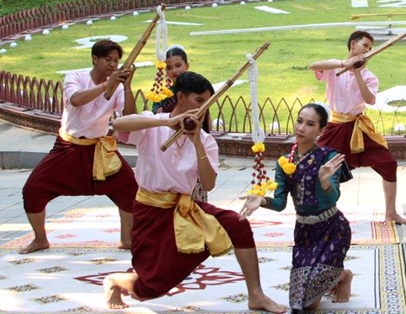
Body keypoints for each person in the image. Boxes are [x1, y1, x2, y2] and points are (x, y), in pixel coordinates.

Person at [102, 72, 286, 313]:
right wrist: (166, 122)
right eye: (200, 101)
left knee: (237, 224)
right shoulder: (152, 125)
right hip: (151, 210)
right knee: (150, 288)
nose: (204, 107)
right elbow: (118, 124)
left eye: (208, 102)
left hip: (185, 208)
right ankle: (115, 280)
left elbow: (208, 184)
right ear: (181, 96)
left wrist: (197, 142)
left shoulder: (206, 140)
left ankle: (256, 295)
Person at [19, 40, 138, 254]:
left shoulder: (119, 87)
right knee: (33, 189)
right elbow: (75, 100)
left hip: (100, 149)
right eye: (108, 59)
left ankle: (127, 239)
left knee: (130, 189)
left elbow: (129, 116)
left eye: (116, 61)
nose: (113, 64)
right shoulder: (75, 77)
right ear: (95, 59)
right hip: (67, 146)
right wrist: (106, 85)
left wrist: (126, 86)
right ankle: (40, 239)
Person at [240, 103, 353, 313]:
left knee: (310, 298)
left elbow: (334, 196)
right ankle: (337, 276)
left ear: (320, 131)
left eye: (310, 124)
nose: (301, 128)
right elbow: (280, 204)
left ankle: (343, 275)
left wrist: (324, 181)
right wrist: (262, 200)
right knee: (302, 303)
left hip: (332, 230)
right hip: (304, 233)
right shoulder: (285, 163)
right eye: (300, 121)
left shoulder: (329, 158)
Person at [309, 31, 406, 225]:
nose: (367, 50)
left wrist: (356, 72)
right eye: (365, 45)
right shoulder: (334, 67)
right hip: (335, 127)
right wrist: (343, 64)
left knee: (388, 163)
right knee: (321, 168)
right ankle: (320, 212)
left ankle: (390, 212)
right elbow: (313, 66)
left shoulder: (369, 76)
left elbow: (369, 99)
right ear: (353, 44)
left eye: (370, 48)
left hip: (358, 127)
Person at [150, 46, 210, 202]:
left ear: (187, 65)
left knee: (195, 196)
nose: (174, 71)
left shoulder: (199, 89)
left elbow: (206, 121)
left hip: (193, 144)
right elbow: (154, 116)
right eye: (169, 68)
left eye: (178, 65)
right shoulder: (164, 94)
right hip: (169, 146)